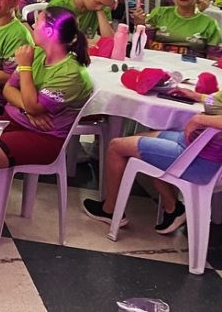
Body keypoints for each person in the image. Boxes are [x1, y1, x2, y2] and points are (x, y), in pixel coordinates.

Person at [0, 7, 93, 257]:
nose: (32, 26)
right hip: (15, 121)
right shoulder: (36, 54)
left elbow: (33, 102)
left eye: (37, 23)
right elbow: (9, 92)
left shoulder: (70, 72)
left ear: (50, 31)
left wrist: (25, 73)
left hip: (45, 139)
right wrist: (29, 110)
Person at [83, 83, 222, 234]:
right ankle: (173, 208)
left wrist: (199, 120)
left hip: (199, 159)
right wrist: (199, 97)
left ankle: (109, 210)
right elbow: (217, 103)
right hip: (193, 145)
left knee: (116, 147)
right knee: (134, 139)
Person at [132, 0, 222, 61]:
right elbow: (143, 46)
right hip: (157, 62)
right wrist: (140, 24)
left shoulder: (209, 24)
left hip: (193, 68)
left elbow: (214, 58)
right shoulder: (160, 13)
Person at [46, 0, 122, 41]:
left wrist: (100, 12)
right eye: (98, 2)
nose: (100, 7)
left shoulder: (102, 8)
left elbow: (110, 40)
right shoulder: (60, 4)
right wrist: (80, 42)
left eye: (104, 5)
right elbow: (48, 36)